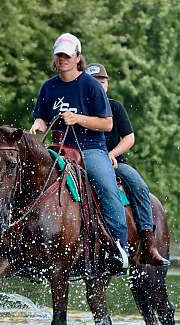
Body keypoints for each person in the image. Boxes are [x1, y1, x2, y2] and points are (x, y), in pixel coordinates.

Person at [29, 33, 129, 270]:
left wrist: (78, 118)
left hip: (91, 149)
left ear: (77, 58)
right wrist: (37, 125)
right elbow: (41, 118)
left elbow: (107, 124)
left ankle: (119, 248)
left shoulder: (91, 85)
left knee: (106, 188)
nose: (62, 59)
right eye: (59, 55)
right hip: (58, 147)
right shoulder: (48, 87)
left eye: (67, 55)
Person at [85, 63, 169, 266]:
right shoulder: (79, 110)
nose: (99, 85)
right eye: (94, 82)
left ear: (107, 84)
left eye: (102, 82)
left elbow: (129, 138)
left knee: (138, 186)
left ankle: (148, 242)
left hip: (115, 163)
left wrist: (112, 154)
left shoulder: (115, 107)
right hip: (82, 161)